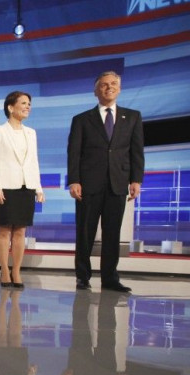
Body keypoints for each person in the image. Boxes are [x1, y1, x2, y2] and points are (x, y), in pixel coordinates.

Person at [68, 71, 144, 293]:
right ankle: (83, 276)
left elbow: (136, 152)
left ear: (119, 89)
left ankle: (110, 279)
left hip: (117, 183)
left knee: (112, 233)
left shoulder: (132, 117)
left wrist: (136, 179)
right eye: (103, 85)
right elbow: (74, 153)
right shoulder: (81, 119)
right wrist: (74, 180)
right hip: (88, 184)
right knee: (85, 232)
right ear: (96, 90)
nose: (109, 87)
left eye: (113, 84)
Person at [0, 91, 45, 289]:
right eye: (23, 103)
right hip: (5, 186)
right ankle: (4, 270)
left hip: (26, 187)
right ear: (11, 107)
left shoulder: (31, 133)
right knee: (4, 230)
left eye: (29, 103)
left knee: (20, 231)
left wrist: (38, 188)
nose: (27, 106)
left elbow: (34, 161)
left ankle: (16, 271)